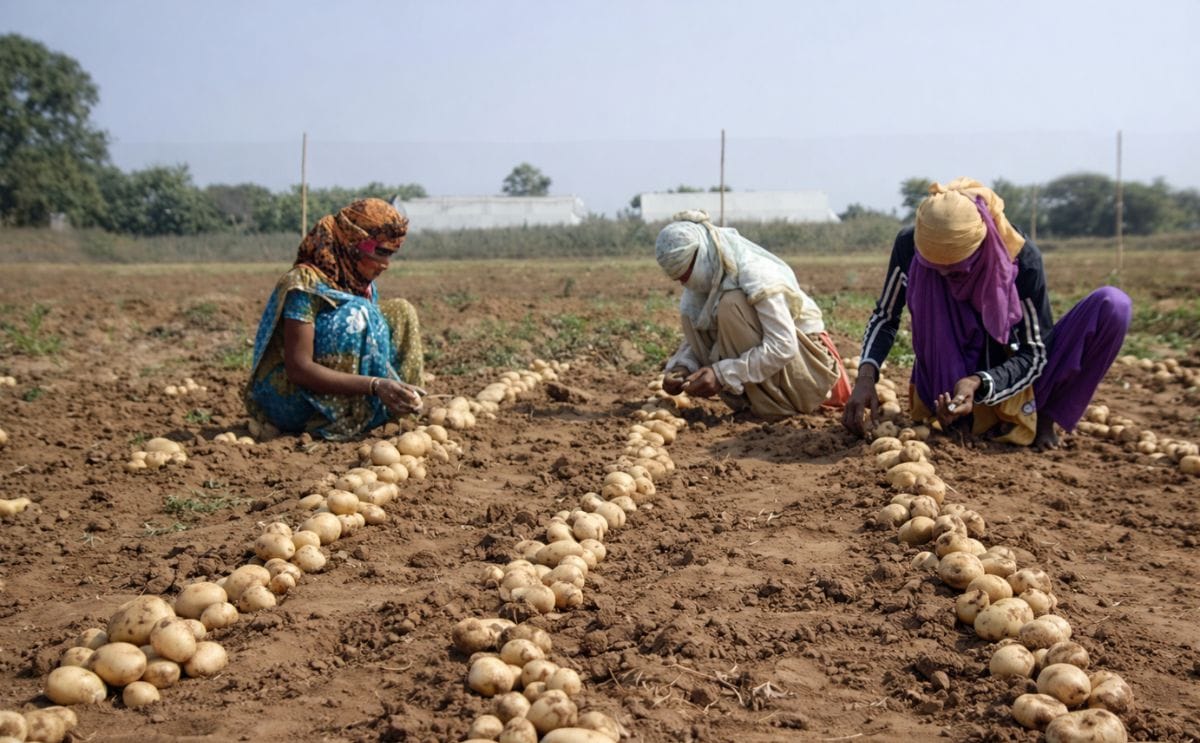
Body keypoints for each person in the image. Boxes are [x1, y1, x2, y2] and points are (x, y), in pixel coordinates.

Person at [842, 178, 1131, 448]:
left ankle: (1041, 416)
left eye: (956, 269)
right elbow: (886, 315)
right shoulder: (911, 245)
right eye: (934, 267)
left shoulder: (1020, 258)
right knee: (937, 298)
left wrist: (979, 382)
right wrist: (866, 376)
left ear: (979, 246)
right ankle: (959, 418)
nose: (945, 274)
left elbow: (1034, 353)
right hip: (946, 379)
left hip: (1010, 376)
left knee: (1112, 306)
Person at [244, 198, 426, 440]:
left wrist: (386, 385)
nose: (386, 264)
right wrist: (375, 385)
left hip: (355, 392)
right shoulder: (304, 282)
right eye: (381, 252)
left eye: (390, 255)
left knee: (401, 311)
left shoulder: (360, 283)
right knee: (358, 314)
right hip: (293, 397)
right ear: (353, 243)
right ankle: (347, 417)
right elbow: (299, 368)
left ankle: (402, 407)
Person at [654, 209, 851, 418]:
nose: (684, 282)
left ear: (703, 255)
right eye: (678, 278)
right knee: (690, 312)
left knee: (732, 305)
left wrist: (722, 375)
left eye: (687, 273)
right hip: (772, 369)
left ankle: (779, 405)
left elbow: (783, 345)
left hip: (807, 372)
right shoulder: (706, 281)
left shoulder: (755, 273)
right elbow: (703, 335)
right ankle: (755, 402)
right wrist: (683, 367)